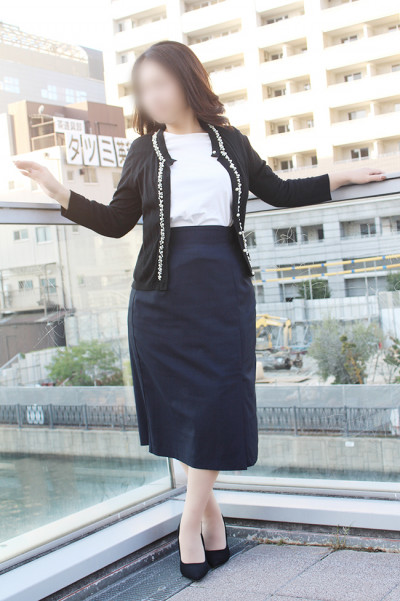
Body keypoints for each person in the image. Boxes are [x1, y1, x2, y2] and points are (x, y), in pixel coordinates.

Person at [13, 40, 386, 581]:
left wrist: (342, 176)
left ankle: (190, 522)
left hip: (223, 293)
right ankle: (210, 519)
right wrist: (55, 188)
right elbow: (117, 222)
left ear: (188, 81)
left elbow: (280, 191)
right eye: (143, 89)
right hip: (160, 300)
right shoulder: (144, 151)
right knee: (182, 412)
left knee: (217, 403)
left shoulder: (230, 142)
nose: (152, 96)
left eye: (160, 83)